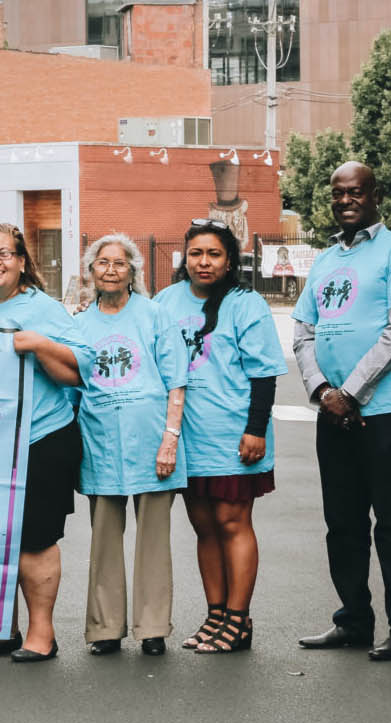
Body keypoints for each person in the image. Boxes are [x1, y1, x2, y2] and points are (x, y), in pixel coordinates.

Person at [292, 162, 391, 661]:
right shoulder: (325, 259)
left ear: (374, 195)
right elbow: (303, 331)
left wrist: (351, 392)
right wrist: (323, 390)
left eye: (355, 192)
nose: (346, 200)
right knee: (343, 523)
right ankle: (353, 620)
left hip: (385, 413)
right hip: (333, 413)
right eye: (338, 194)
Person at [0, 223, 92, 663]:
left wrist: (37, 344)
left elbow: (78, 372)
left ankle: (42, 635)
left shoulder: (43, 310)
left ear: (21, 262)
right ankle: (2, 628)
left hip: (41, 440)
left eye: (5, 253)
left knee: (35, 541)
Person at [156, 220, 286, 654]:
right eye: (196, 254)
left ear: (229, 260)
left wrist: (255, 429)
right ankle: (215, 615)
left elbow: (264, 373)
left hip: (232, 434)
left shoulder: (245, 303)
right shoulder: (165, 301)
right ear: (184, 258)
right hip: (186, 438)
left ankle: (238, 618)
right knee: (204, 526)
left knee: (233, 523)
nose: (204, 262)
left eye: (213, 254)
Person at [74, 235, 188, 657]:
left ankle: (152, 626)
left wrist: (170, 440)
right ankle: (105, 627)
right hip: (100, 443)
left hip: (153, 441)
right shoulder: (80, 324)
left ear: (132, 272)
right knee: (104, 538)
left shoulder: (155, 316)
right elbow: (71, 387)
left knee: (154, 540)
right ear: (91, 272)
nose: (110, 270)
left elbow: (177, 381)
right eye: (102, 263)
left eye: (119, 263)